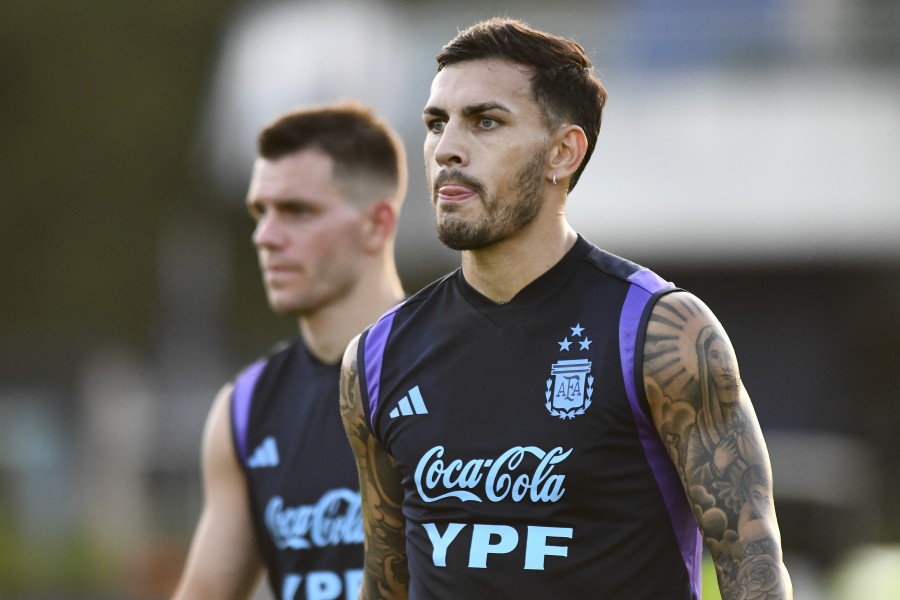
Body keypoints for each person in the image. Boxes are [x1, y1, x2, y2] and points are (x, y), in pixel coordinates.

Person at [339, 17, 793, 599]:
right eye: (436, 124)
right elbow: (386, 584)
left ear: (563, 152)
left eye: (485, 121)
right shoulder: (377, 358)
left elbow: (754, 570)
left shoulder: (662, 334)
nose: (447, 148)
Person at [173, 102, 408, 600]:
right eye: (261, 212)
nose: (265, 237)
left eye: (297, 211)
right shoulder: (245, 409)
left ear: (377, 223)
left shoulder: (457, 371)